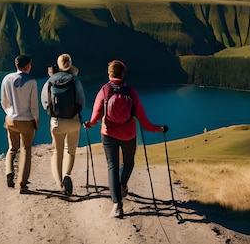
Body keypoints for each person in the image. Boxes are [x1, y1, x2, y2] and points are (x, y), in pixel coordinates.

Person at [83, 59, 168, 218]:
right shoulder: (131, 92)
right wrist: (159, 129)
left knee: (112, 166)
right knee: (128, 162)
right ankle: (122, 185)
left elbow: (96, 115)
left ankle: (117, 205)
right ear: (122, 73)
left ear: (109, 73)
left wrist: (90, 124)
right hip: (129, 134)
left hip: (108, 134)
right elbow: (144, 121)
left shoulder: (104, 91)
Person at [40, 53, 85, 195]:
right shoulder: (75, 80)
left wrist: (54, 113)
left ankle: (60, 183)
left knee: (57, 152)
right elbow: (82, 102)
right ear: (70, 64)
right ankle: (67, 176)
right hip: (73, 121)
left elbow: (44, 103)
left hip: (56, 122)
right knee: (70, 151)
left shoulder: (50, 81)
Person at [0, 54, 40, 194]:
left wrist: (9, 113)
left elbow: (3, 101)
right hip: (27, 121)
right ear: (28, 65)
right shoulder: (32, 82)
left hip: (11, 120)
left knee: (12, 148)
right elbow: (34, 105)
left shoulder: (6, 79)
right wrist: (36, 119)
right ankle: (22, 183)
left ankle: (9, 173)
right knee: (26, 149)